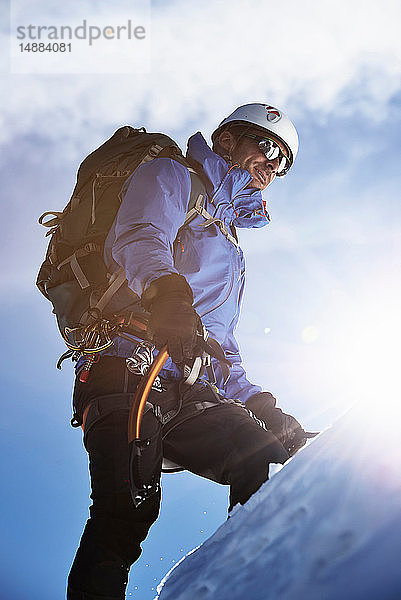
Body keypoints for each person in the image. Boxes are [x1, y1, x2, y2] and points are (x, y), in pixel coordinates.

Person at [67, 102, 308, 599]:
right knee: (125, 512)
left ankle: (247, 584)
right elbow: (138, 235)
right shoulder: (172, 176)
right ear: (228, 139)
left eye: (281, 162)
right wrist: (167, 293)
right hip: (125, 367)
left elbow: (220, 347)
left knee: (255, 450)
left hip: (188, 388)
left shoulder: (230, 243)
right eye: (265, 147)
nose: (270, 166)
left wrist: (261, 404)